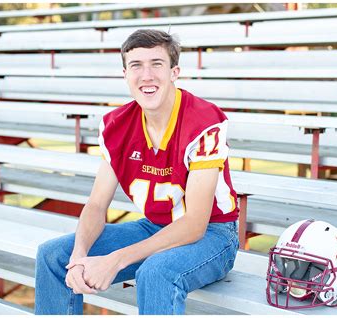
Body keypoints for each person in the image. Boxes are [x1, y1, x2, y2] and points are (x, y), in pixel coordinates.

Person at [34, 29, 239, 315]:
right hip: (154, 226)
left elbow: (194, 224)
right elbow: (95, 205)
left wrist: (116, 260)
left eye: (157, 64)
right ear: (125, 74)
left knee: (156, 273)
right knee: (55, 256)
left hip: (212, 235)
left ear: (174, 72)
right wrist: (79, 255)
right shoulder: (117, 125)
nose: (147, 75)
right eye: (136, 66)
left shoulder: (204, 121)